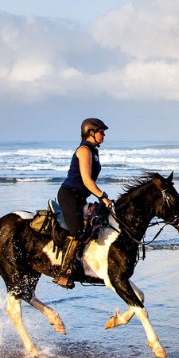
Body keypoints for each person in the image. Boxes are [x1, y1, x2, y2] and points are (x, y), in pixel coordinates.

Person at [54, 118, 114, 288]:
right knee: (77, 232)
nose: (103, 135)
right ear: (91, 132)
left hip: (80, 197)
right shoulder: (84, 150)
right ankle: (64, 273)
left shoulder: (94, 150)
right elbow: (87, 180)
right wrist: (102, 196)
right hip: (69, 195)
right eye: (101, 132)